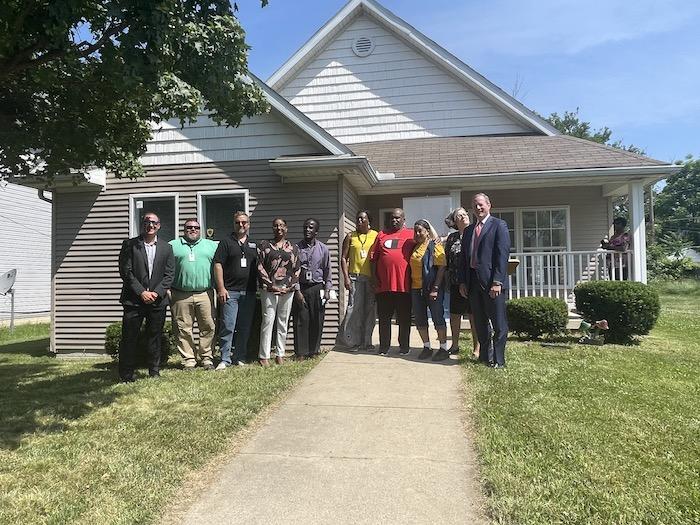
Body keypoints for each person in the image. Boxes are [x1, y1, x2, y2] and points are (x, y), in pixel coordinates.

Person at [117, 211, 174, 382]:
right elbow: (126, 272)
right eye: (147, 222)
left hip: (157, 300)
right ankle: (126, 374)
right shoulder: (130, 245)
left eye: (154, 223)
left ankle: (154, 370)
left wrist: (156, 292)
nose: (150, 225)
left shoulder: (167, 247)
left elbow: (170, 274)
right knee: (129, 336)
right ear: (143, 224)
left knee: (155, 336)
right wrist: (141, 292)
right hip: (134, 300)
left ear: (159, 225)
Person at [459, 193, 510, 369]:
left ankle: (499, 360)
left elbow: (502, 256)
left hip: (492, 283)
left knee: (499, 324)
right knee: (480, 323)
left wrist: (497, 281)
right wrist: (463, 282)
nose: (478, 208)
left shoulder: (499, 226)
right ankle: (484, 357)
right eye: (475, 206)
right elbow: (464, 259)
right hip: (473, 282)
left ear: (489, 205)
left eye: (481, 204)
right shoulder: (468, 231)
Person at [169, 218, 218, 370]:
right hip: (180, 294)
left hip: (205, 293)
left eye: (196, 227)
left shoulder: (211, 246)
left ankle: (207, 358)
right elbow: (164, 267)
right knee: (183, 328)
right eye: (189, 227)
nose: (193, 230)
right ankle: (189, 360)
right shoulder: (173, 245)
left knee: (209, 326)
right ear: (184, 229)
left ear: (200, 229)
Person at [213, 211, 259, 370]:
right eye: (238, 222)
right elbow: (218, 264)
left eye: (244, 222)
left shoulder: (254, 244)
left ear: (249, 224)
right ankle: (225, 359)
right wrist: (221, 288)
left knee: (245, 326)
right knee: (228, 325)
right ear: (234, 224)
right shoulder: (226, 242)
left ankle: (240, 357)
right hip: (230, 292)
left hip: (250, 292)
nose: (241, 225)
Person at [370, 207, 415, 356]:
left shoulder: (411, 234)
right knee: (384, 319)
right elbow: (373, 259)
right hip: (384, 286)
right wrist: (374, 277)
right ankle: (384, 347)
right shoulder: (382, 235)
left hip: (404, 286)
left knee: (404, 319)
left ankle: (404, 347)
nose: (394, 220)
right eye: (392, 218)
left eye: (397, 218)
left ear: (404, 220)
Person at [257, 218, 300, 366]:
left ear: (286, 228)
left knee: (283, 322)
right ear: (272, 228)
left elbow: (297, 269)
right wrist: (271, 285)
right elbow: (260, 267)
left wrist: (290, 286)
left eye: (281, 225)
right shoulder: (264, 245)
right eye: (276, 225)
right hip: (269, 290)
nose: (279, 228)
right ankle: (264, 355)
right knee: (268, 321)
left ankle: (280, 354)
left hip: (287, 290)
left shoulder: (293, 247)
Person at [337, 210, 378, 351]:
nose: (359, 221)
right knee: (354, 310)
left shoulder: (376, 236)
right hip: (355, 278)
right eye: (357, 219)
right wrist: (346, 278)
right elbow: (343, 258)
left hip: (371, 279)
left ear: (369, 221)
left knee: (370, 311)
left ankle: (367, 342)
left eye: (362, 219)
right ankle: (353, 342)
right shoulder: (350, 236)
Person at [293, 218, 333, 359]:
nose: (307, 230)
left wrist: (327, 290)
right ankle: (301, 352)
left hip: (317, 287)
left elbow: (328, 270)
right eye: (305, 227)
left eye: (310, 228)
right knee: (301, 320)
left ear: (316, 231)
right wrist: (297, 290)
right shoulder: (296, 248)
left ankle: (313, 351)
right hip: (302, 288)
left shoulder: (323, 249)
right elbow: (293, 271)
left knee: (317, 319)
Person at [410, 220, 449, 361]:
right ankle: (427, 347)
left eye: (420, 230)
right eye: (416, 231)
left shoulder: (434, 245)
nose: (418, 233)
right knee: (420, 319)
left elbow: (442, 267)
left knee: (438, 317)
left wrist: (436, 288)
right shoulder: (415, 247)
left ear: (427, 231)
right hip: (416, 289)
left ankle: (443, 348)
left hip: (431, 288)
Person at [444, 208, 480, 358]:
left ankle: (477, 348)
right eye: (459, 215)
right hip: (455, 282)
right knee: (455, 314)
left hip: (472, 281)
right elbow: (446, 258)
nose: (464, 216)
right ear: (454, 221)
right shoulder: (452, 238)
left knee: (474, 315)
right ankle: (455, 345)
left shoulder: (475, 233)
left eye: (465, 213)